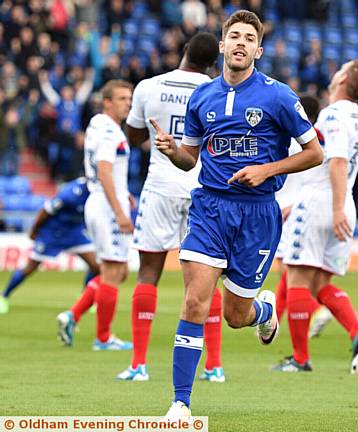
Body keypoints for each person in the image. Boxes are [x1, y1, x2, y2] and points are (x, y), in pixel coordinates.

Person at [153, 10, 323, 420]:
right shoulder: (202, 96)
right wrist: (173, 149)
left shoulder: (279, 96)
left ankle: (263, 313)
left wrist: (267, 169)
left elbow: (314, 153)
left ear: (258, 50)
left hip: (258, 215)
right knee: (195, 301)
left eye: (250, 37)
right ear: (223, 46)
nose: (242, 43)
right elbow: (190, 158)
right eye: (235, 36)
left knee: (234, 316)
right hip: (210, 207)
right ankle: (180, 404)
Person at [115, 33, 223, 383]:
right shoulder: (218, 90)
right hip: (202, 190)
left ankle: (139, 365)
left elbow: (132, 138)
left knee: (148, 274)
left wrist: (154, 133)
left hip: (161, 187)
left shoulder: (149, 86)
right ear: (212, 62)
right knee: (206, 281)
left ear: (185, 51)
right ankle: (214, 366)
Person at [273, 60, 358, 374]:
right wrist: (341, 207)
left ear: (343, 78)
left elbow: (337, 162)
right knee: (320, 284)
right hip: (345, 203)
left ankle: (301, 359)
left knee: (298, 278)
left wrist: (334, 208)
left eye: (339, 69)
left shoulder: (333, 114)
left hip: (322, 201)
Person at [56, 79, 135, 351]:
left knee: (119, 271)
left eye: (130, 98)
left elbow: (106, 172)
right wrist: (119, 210)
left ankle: (73, 315)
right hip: (105, 205)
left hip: (102, 199)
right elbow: (104, 171)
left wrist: (123, 194)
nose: (128, 103)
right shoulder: (111, 132)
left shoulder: (96, 124)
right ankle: (103, 338)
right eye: (123, 99)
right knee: (113, 271)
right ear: (107, 102)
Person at [273, 94, 333, 338]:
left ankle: (316, 309)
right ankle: (273, 322)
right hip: (299, 208)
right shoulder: (316, 143)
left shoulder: (292, 141)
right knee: (288, 273)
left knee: (287, 271)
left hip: (287, 210)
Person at [0, 177, 99, 316]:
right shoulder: (70, 193)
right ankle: (3, 296)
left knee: (96, 266)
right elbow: (45, 210)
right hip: (53, 233)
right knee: (30, 268)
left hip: (74, 232)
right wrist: (34, 230)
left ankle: (85, 298)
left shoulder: (100, 192)